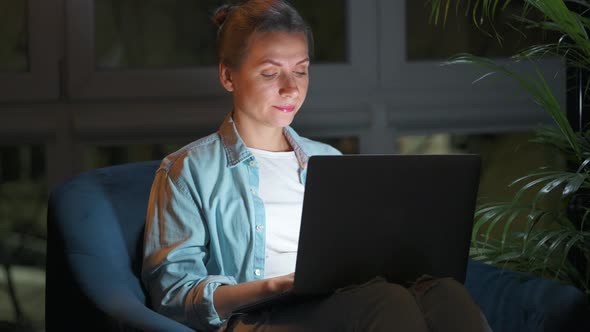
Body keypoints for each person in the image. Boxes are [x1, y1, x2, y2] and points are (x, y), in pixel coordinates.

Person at [141, 1, 493, 331]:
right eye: (269, 73)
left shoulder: (327, 161)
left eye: (301, 70)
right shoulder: (186, 171)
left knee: (444, 291)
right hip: (262, 318)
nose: (290, 88)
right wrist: (275, 286)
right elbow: (174, 297)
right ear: (228, 76)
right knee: (383, 302)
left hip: (343, 302)